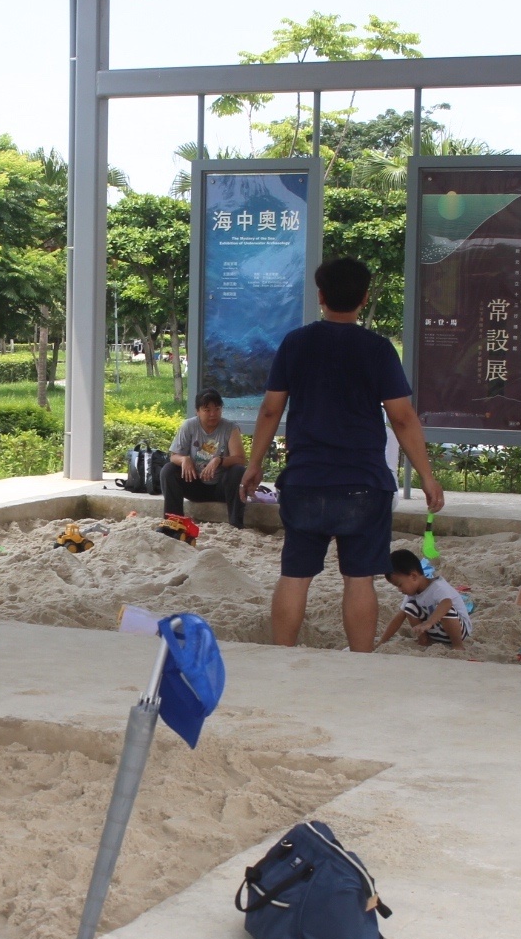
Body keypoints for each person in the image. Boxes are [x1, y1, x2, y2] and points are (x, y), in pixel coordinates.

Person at [239, 258, 445, 653]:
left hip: (305, 480)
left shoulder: (295, 343)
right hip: (364, 484)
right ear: (365, 299)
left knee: (295, 575)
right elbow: (402, 417)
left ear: (320, 296)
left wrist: (254, 463)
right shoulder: (378, 349)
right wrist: (427, 475)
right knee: (359, 579)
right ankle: (360, 662)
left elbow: (270, 409)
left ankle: (280, 655)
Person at [165, 390, 248, 528]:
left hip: (221, 486)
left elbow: (240, 459)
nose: (213, 414)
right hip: (195, 483)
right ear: (197, 411)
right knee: (168, 470)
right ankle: (173, 522)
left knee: (238, 471)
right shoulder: (189, 426)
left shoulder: (230, 428)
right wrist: (184, 459)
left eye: (217, 409)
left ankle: (236, 523)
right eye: (207, 410)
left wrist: (219, 460)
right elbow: (174, 456)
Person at [378, 548, 469, 651]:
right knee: (410, 607)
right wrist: (381, 641)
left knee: (445, 610)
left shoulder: (438, 587)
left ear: (413, 576)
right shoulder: (412, 594)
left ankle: (458, 646)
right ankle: (424, 640)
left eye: (400, 585)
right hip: (436, 631)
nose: (399, 590)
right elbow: (398, 618)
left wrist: (428, 623)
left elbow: (447, 603)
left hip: (458, 631)